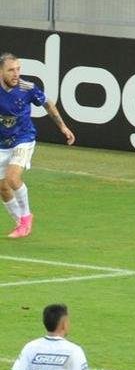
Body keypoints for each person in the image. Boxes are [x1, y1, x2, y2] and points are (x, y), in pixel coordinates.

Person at [0, 53, 75, 239]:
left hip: (23, 138)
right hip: (2, 143)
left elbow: (47, 104)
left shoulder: (27, 88)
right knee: (2, 187)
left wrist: (63, 127)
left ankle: (26, 218)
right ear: (1, 71)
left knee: (12, 177)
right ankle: (20, 223)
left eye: (18, 69)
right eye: (11, 70)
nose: (16, 73)